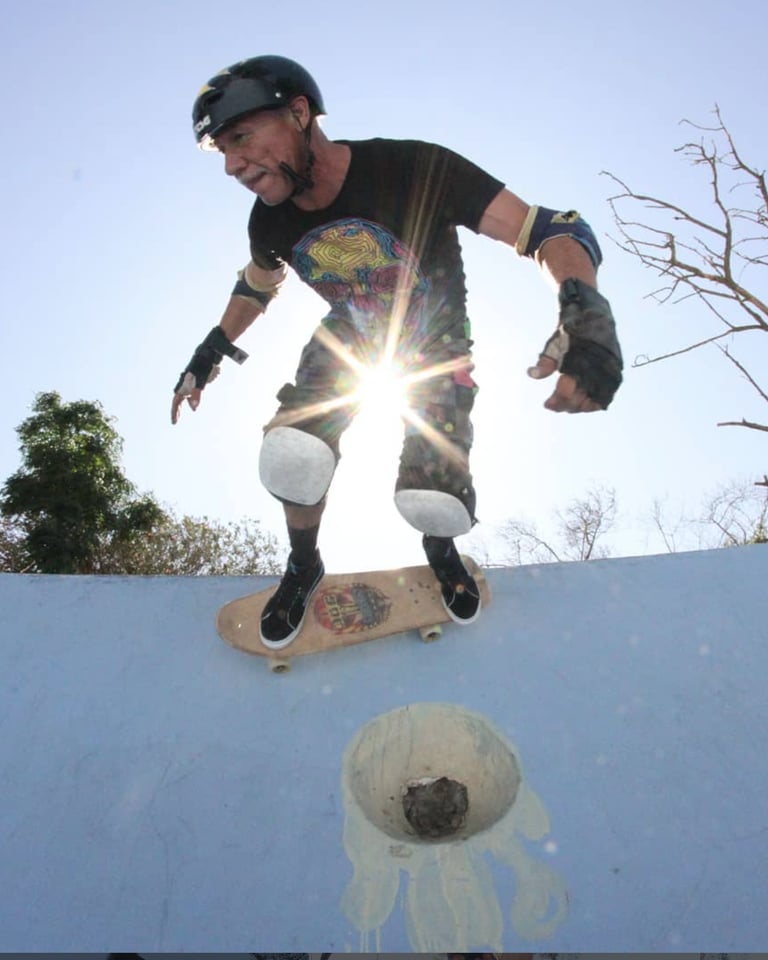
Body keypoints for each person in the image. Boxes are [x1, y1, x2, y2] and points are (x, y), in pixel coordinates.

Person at [172, 55, 622, 650]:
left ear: (299, 113)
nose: (233, 165)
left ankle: (440, 546)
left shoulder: (412, 168)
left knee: (433, 500)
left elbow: (546, 229)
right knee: (292, 457)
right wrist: (210, 350)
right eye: (223, 152)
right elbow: (257, 285)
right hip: (349, 339)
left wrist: (583, 307)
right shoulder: (268, 222)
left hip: (435, 345)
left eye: (241, 138)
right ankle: (304, 564)